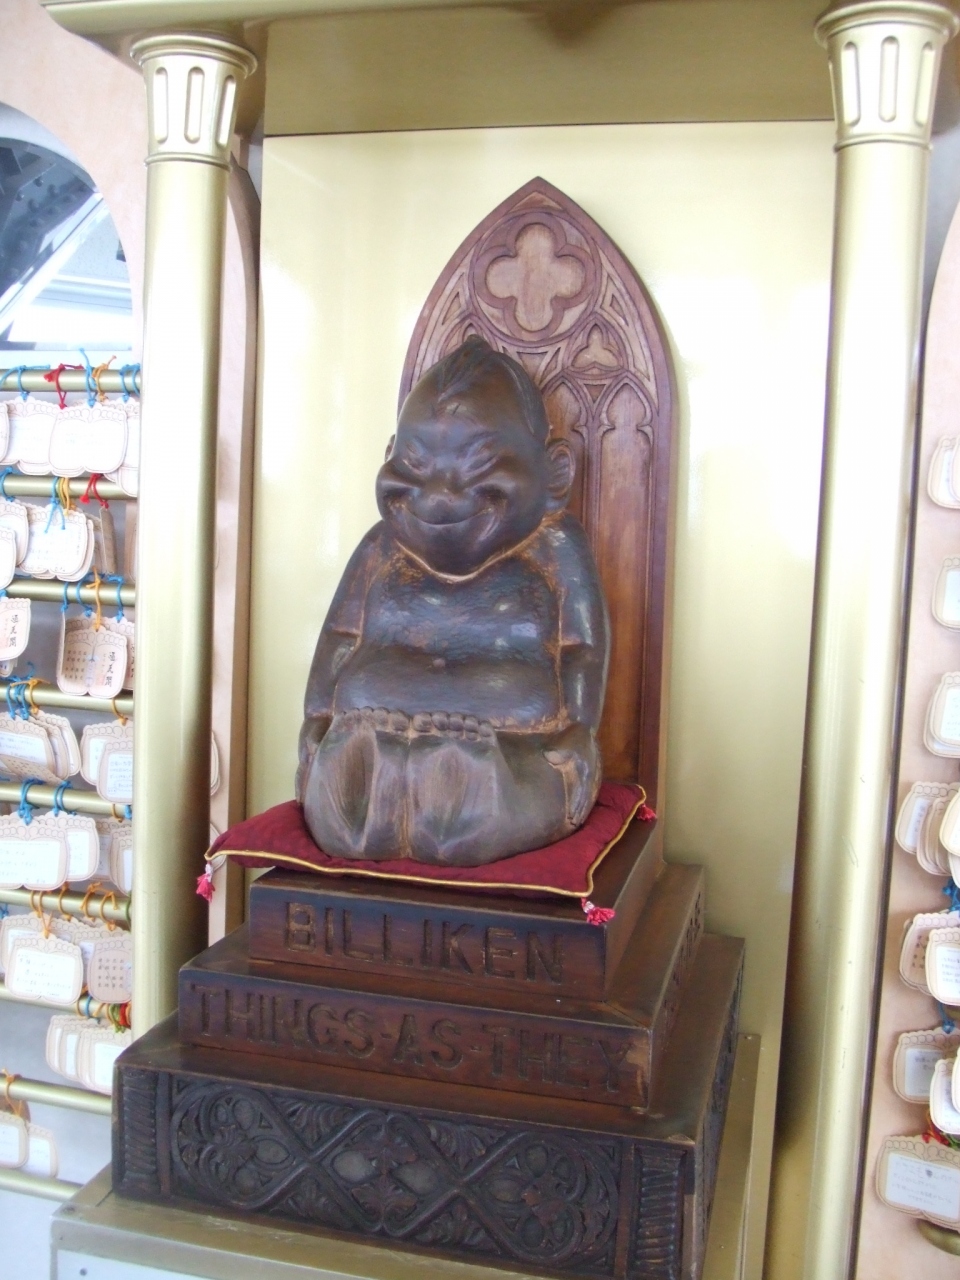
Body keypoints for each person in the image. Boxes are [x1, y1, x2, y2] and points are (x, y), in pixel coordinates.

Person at [297, 336, 609, 866]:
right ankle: (368, 793)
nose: (439, 492)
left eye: (477, 465)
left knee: (490, 797)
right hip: (367, 731)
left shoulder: (557, 546)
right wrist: (316, 717)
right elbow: (340, 637)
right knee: (352, 785)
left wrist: (580, 729)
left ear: (555, 474)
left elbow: (582, 648)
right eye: (414, 463)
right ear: (389, 456)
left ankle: (462, 794)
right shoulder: (380, 546)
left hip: (513, 748)